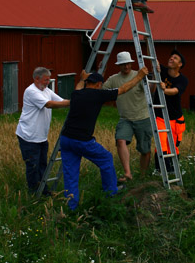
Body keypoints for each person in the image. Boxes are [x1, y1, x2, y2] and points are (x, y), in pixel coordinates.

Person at [60, 66, 148, 211]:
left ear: (87, 83)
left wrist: (82, 78)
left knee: (71, 175)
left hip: (66, 140)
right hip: (83, 140)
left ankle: (71, 208)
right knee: (106, 159)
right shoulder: (98, 95)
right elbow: (123, 89)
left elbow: (78, 87)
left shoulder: (77, 95)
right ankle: (111, 193)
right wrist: (139, 76)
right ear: (99, 85)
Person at [16, 67, 70, 194]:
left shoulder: (46, 90)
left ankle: (43, 190)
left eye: (49, 80)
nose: (48, 82)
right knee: (32, 165)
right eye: (46, 80)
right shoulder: (31, 91)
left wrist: (74, 101)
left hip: (41, 136)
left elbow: (61, 101)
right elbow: (49, 104)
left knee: (42, 165)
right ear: (37, 79)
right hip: (28, 136)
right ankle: (34, 192)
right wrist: (72, 102)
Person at [103, 51, 152, 182]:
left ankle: (143, 177)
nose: (126, 67)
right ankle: (127, 173)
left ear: (131, 63)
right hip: (125, 119)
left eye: (128, 64)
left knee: (145, 150)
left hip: (143, 117)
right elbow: (102, 91)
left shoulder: (139, 75)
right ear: (119, 65)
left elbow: (150, 91)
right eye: (123, 65)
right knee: (120, 140)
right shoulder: (113, 79)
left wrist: (153, 80)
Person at [155, 51, 188, 172]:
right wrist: (147, 42)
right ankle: (160, 170)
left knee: (173, 146)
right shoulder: (162, 71)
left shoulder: (183, 80)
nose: (171, 58)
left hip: (175, 117)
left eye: (175, 58)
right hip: (160, 115)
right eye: (171, 57)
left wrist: (164, 89)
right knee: (161, 143)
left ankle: (173, 169)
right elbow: (154, 58)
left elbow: (175, 91)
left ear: (180, 64)